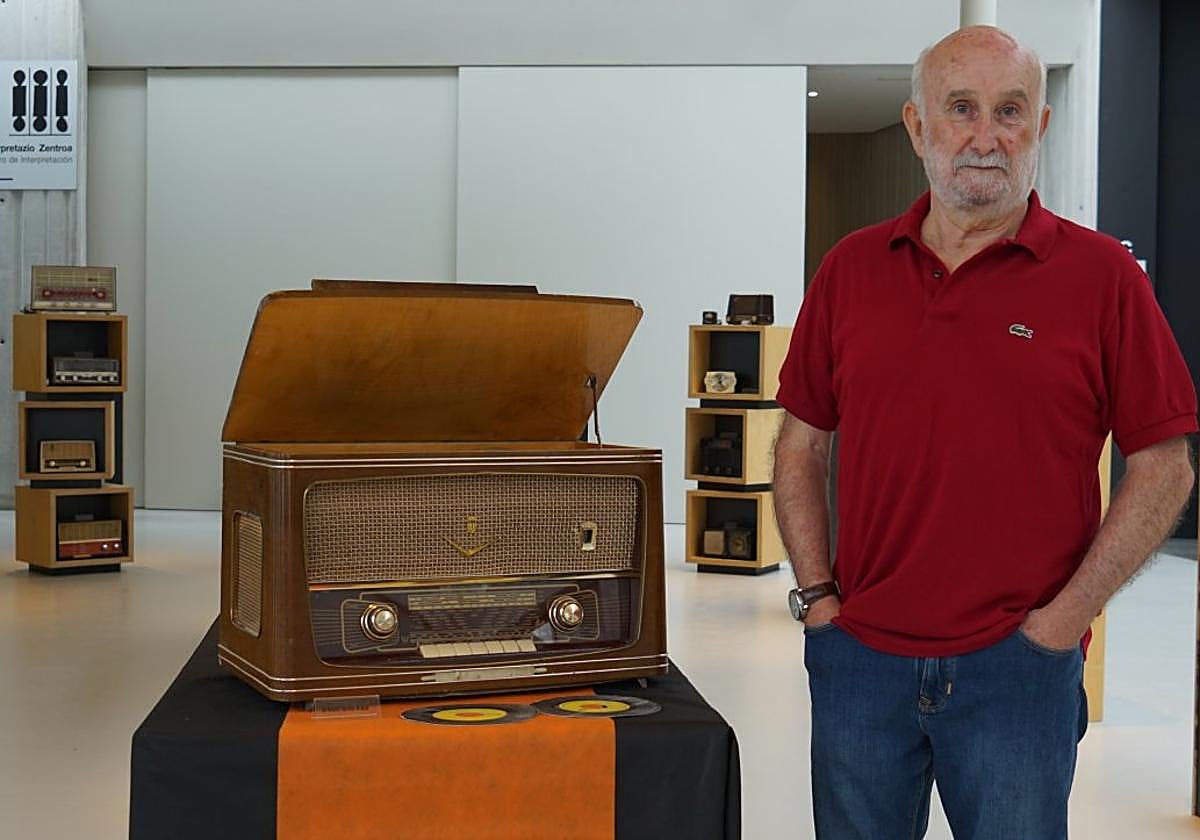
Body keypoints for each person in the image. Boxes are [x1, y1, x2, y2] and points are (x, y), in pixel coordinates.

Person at [773, 25, 1197, 840]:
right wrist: (820, 600)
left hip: (1019, 670)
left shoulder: (1102, 278)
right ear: (917, 126)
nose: (986, 135)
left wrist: (1062, 624)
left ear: (1038, 128)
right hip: (861, 657)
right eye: (960, 109)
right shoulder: (850, 270)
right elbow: (800, 446)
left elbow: (1165, 467)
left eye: (1011, 111)